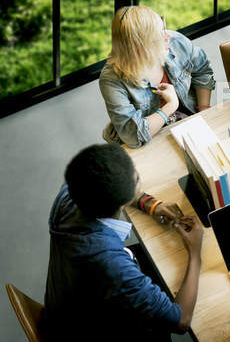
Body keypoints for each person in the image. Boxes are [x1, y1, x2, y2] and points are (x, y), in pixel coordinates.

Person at [44, 144, 204, 342]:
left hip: (69, 305)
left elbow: (112, 187)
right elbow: (181, 321)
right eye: (135, 177)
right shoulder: (112, 266)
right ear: (120, 203)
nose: (136, 172)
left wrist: (150, 204)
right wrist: (195, 253)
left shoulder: (69, 195)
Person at [99, 5, 216, 147]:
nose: (168, 35)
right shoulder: (111, 80)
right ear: (140, 48)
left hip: (185, 120)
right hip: (147, 140)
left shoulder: (175, 43)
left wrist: (203, 110)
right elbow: (132, 136)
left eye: (163, 27)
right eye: (159, 35)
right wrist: (170, 106)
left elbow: (202, 70)